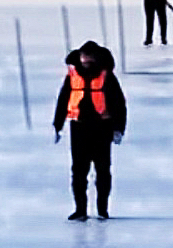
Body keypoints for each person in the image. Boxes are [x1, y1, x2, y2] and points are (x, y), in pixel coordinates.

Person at [52, 41, 127, 221]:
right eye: (84, 56)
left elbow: (119, 104)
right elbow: (63, 100)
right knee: (78, 171)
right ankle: (80, 210)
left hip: (102, 128)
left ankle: (102, 209)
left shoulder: (106, 76)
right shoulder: (72, 76)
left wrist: (118, 129)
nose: (86, 60)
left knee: (102, 170)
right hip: (79, 127)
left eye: (90, 57)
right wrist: (57, 125)